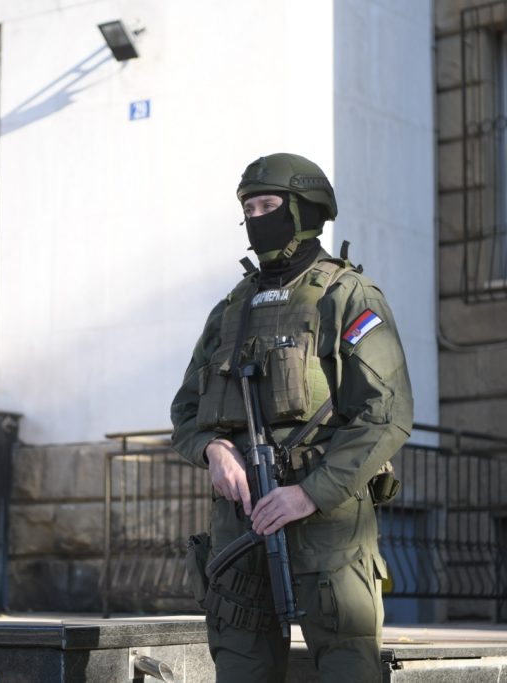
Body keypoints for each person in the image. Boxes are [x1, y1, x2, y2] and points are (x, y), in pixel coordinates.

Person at [170, 153, 413, 682]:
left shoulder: (346, 295)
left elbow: (386, 414)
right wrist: (213, 450)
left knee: (349, 667)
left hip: (327, 516)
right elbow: (186, 410)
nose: (257, 218)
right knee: (239, 666)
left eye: (269, 205)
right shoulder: (231, 308)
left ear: (305, 210)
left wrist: (306, 493)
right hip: (240, 520)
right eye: (248, 208)